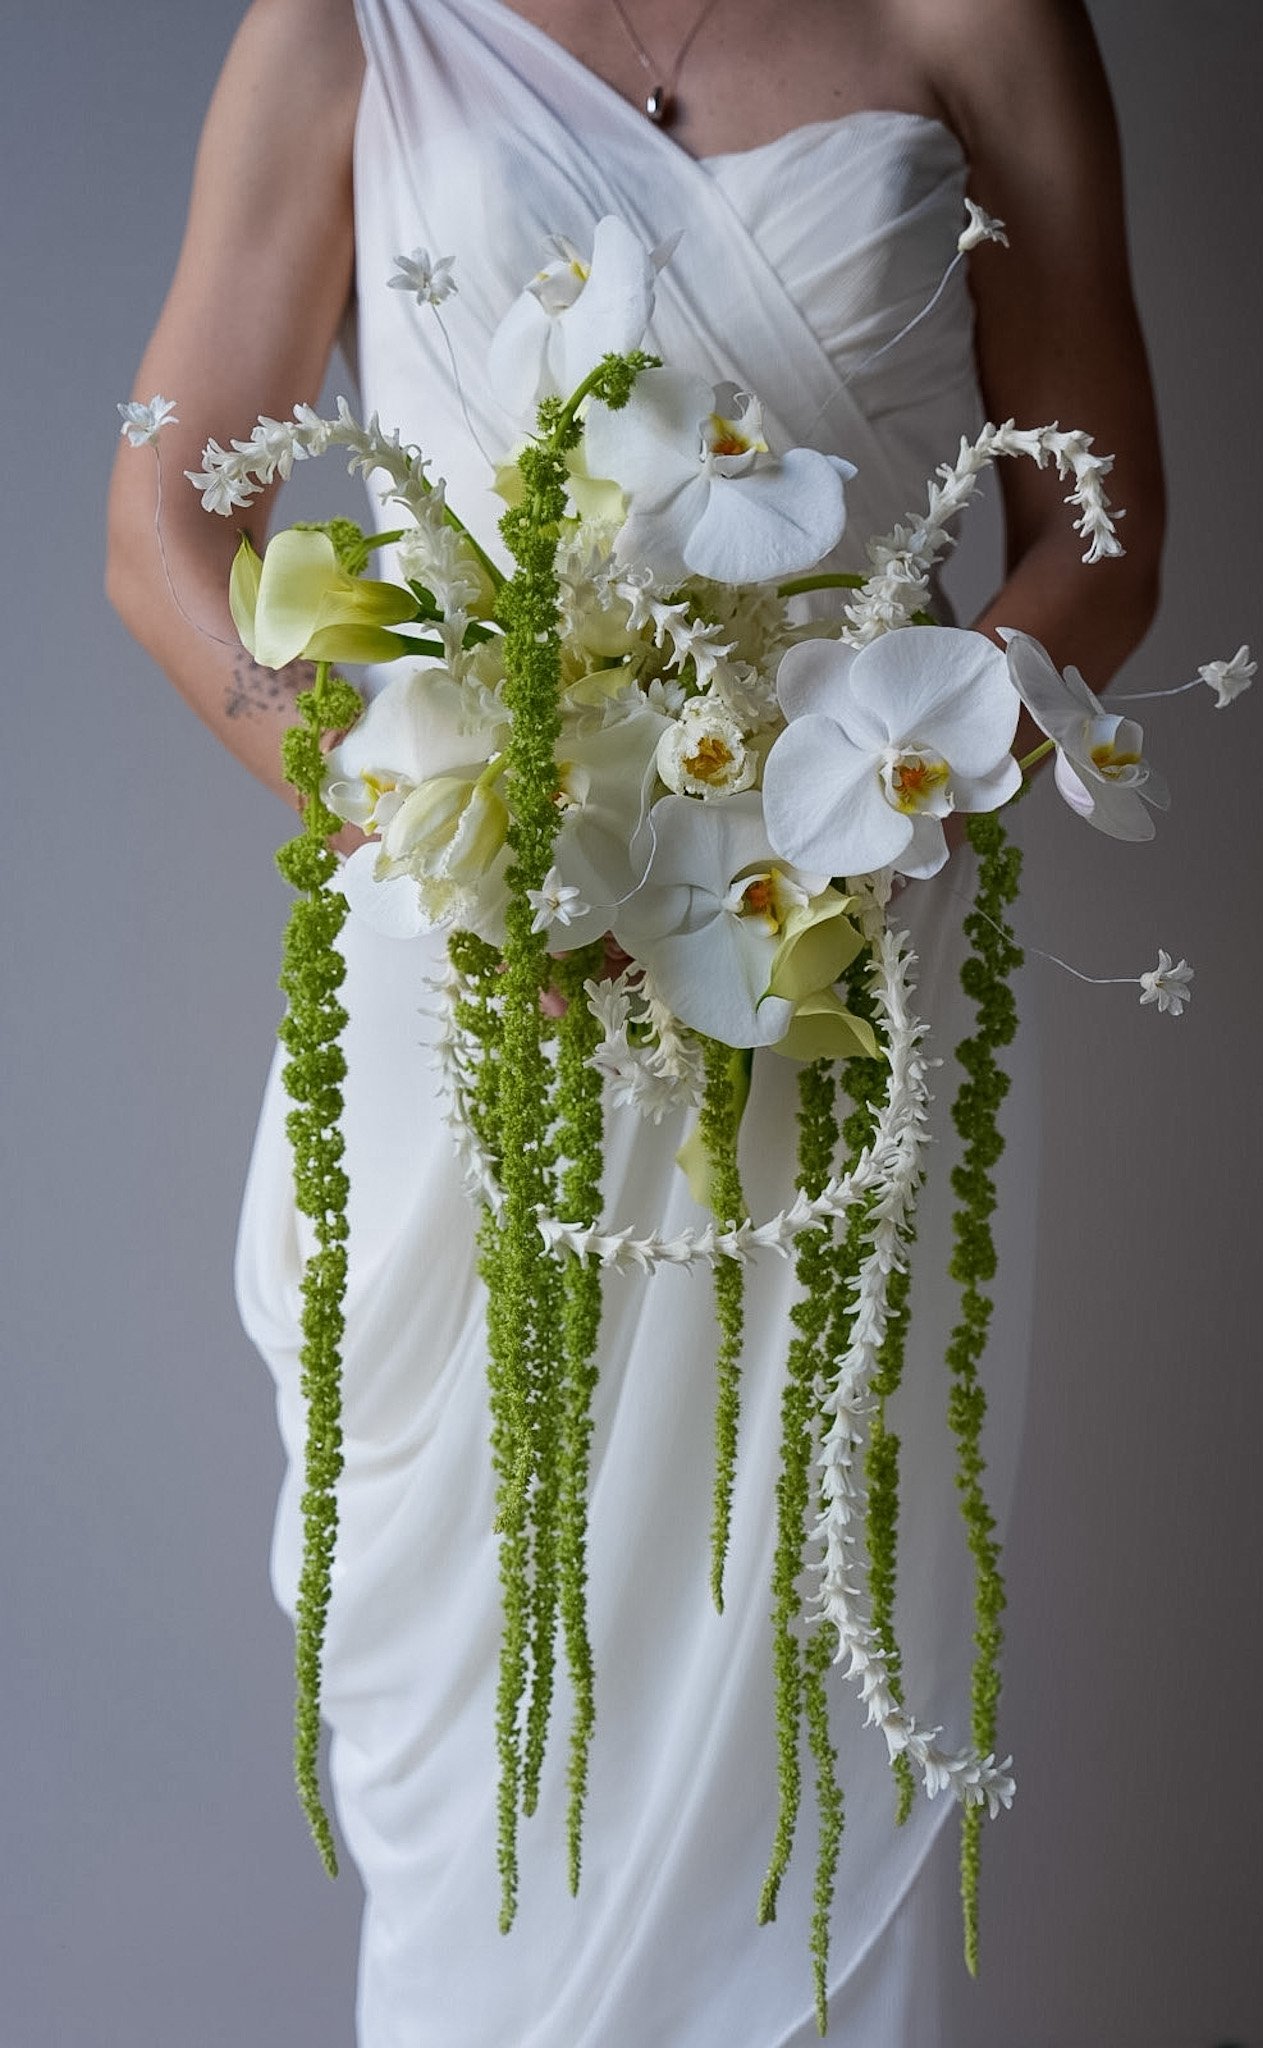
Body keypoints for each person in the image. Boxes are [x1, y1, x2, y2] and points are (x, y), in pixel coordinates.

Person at [106, 2, 1163, 2041]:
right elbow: (166, 535)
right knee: (485, 1737)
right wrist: (438, 815)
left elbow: (1097, 541)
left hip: (821, 971)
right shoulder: (345, 28)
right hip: (469, 979)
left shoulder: (977, 19)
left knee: (802, 1700)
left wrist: (868, 777)